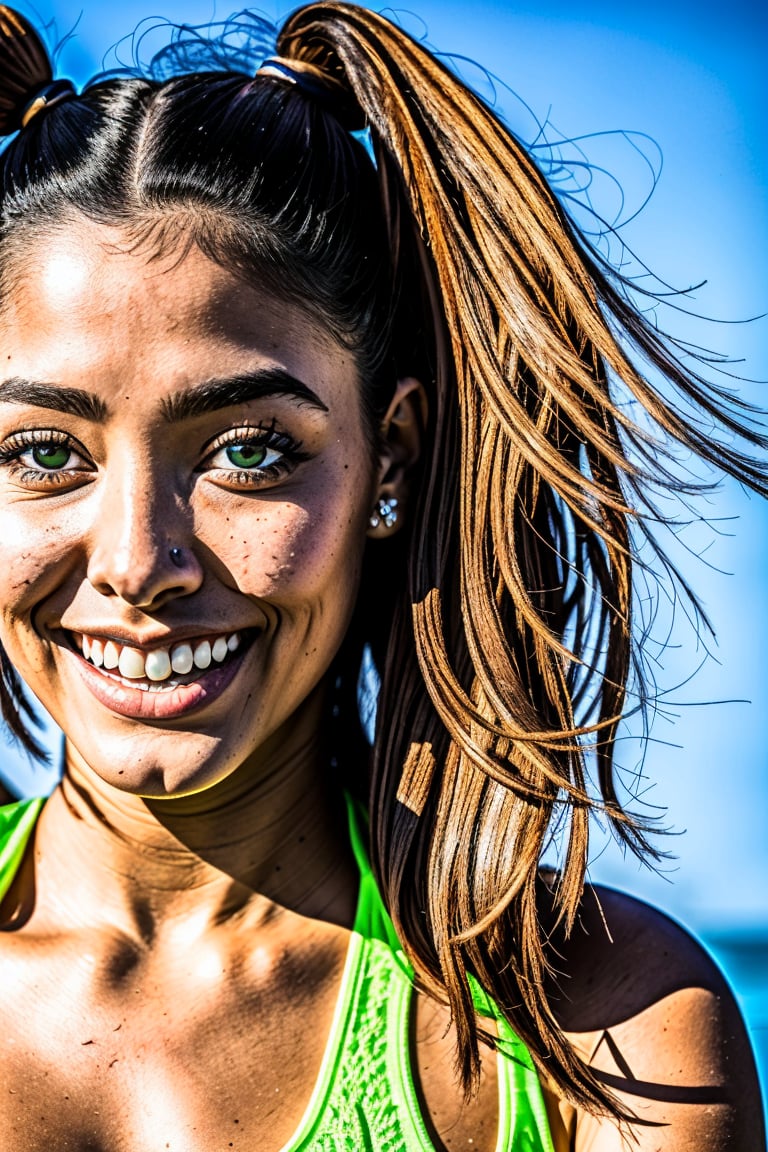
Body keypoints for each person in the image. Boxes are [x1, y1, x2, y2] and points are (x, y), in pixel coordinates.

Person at [0, 2, 764, 1148]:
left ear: (388, 460)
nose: (136, 564)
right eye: (44, 454)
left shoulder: (609, 1042)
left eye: (247, 453)